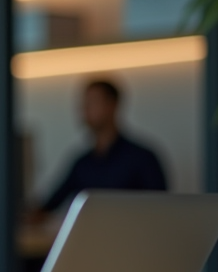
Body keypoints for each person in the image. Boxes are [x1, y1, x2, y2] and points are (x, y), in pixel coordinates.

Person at [34, 79, 167, 221]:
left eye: (92, 102)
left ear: (112, 105)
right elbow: (50, 203)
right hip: (89, 239)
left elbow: (161, 211)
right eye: (84, 104)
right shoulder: (82, 163)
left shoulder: (142, 159)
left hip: (131, 239)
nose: (85, 110)